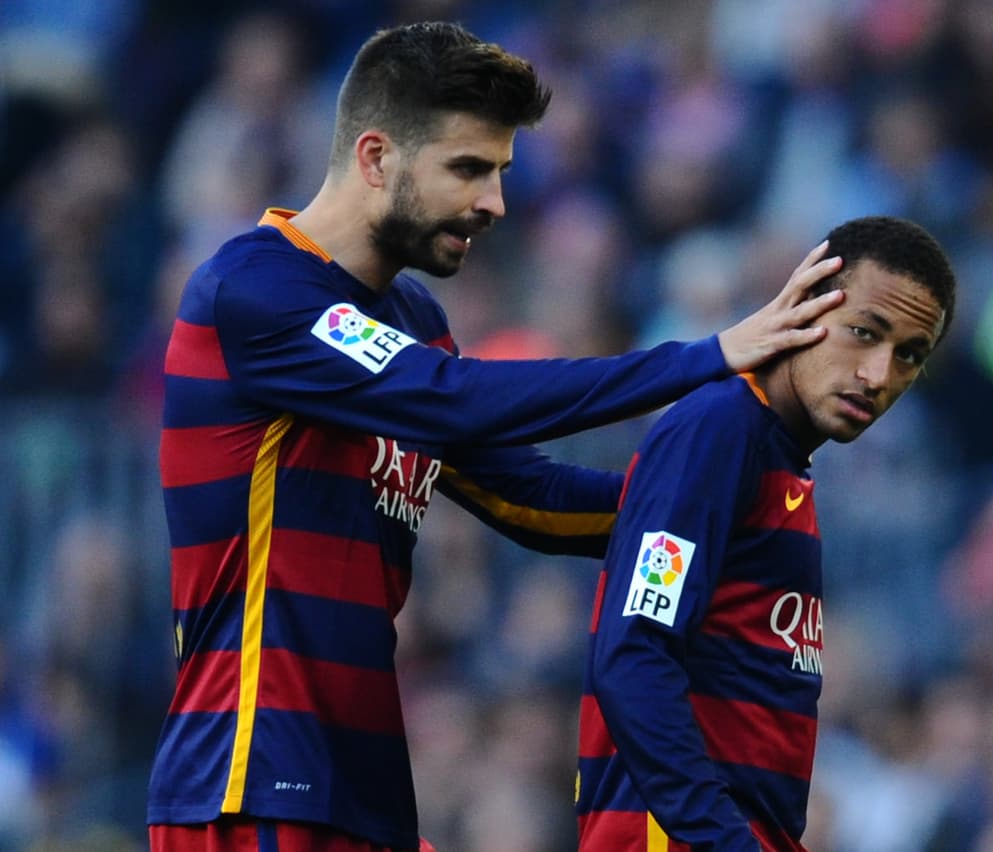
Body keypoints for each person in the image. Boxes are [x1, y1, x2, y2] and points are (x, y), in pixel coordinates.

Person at [145, 19, 845, 852]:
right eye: (469, 169)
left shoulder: (410, 321)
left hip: (359, 790)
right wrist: (710, 357)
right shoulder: (254, 290)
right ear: (376, 158)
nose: (494, 204)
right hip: (248, 778)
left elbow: (529, 499)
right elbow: (457, 402)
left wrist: (704, 514)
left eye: (502, 172)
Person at [576, 216, 958, 851]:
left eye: (910, 355)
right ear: (805, 302)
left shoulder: (778, 462)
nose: (878, 375)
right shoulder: (720, 429)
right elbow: (635, 652)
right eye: (865, 333)